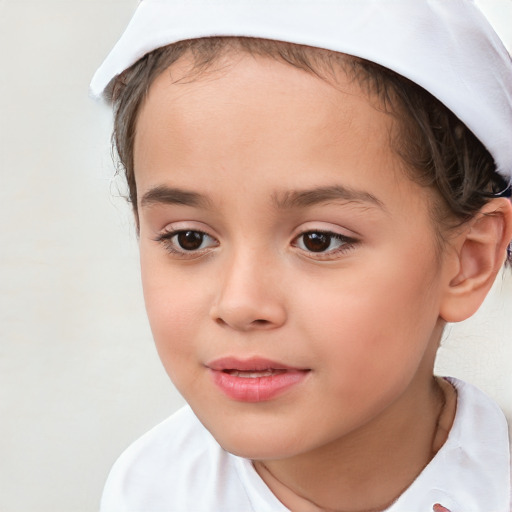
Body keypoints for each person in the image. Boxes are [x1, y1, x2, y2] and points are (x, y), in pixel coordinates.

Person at [90, 1, 512, 510]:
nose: (241, 303)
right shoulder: (149, 489)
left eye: (319, 240)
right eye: (189, 238)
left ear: (469, 260)